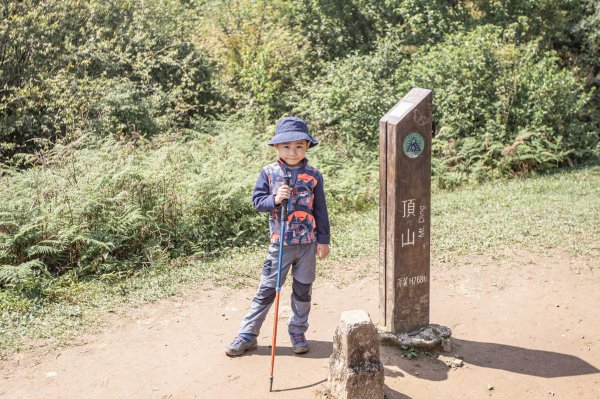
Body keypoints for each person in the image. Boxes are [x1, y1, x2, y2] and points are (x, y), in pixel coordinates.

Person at [225, 116, 331, 357]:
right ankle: (248, 334)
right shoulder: (269, 173)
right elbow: (257, 202)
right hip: (280, 244)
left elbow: (321, 210)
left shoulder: (314, 175)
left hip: (307, 244)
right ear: (276, 147)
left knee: (303, 290)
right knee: (267, 290)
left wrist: (323, 240)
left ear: (307, 146)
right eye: (286, 146)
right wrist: (275, 198)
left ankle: (297, 331)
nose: (292, 152)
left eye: (298, 146)